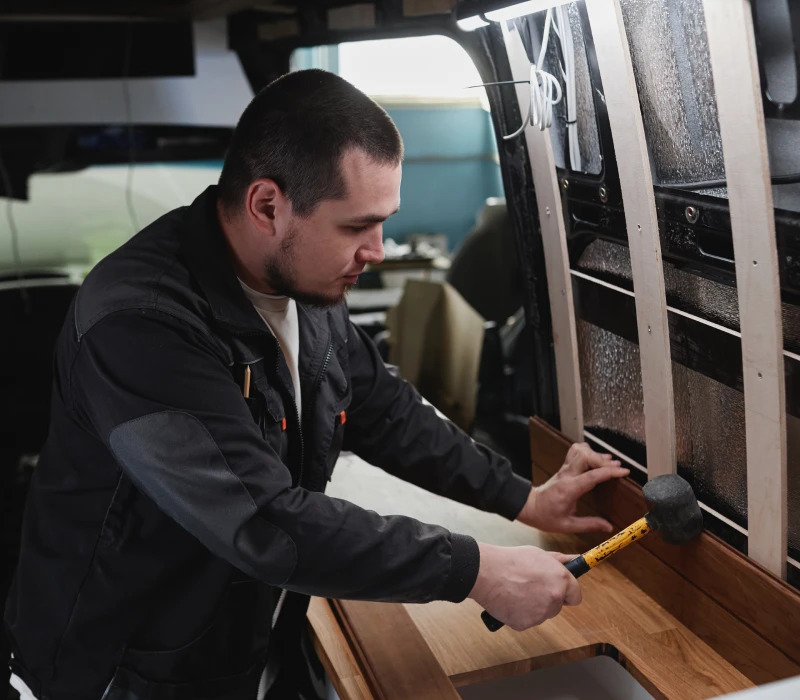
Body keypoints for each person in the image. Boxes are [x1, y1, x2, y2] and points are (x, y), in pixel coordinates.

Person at [4, 69, 628, 700]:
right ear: (268, 206)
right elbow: (264, 521)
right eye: (357, 227)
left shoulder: (305, 283)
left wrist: (523, 498)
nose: (378, 250)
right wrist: (476, 569)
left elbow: (382, 407)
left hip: (244, 641)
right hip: (117, 671)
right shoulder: (140, 323)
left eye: (383, 221)